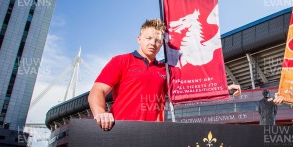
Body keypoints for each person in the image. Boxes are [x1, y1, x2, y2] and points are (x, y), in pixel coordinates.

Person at [88, 18, 240, 131]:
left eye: (158, 40)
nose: (153, 43)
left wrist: (223, 88)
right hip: (120, 128)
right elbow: (97, 91)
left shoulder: (166, 70)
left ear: (162, 44)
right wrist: (101, 112)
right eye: (148, 38)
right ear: (139, 39)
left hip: (154, 133)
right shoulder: (121, 61)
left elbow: (191, 91)